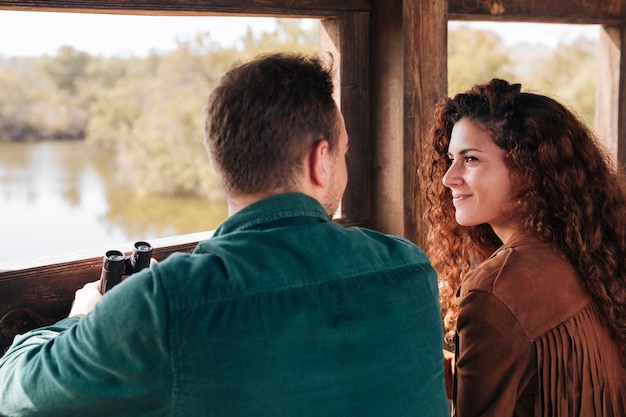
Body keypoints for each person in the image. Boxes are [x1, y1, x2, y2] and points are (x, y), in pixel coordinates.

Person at [0, 53, 449, 417]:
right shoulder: (409, 269)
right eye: (345, 154)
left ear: (222, 161)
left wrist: (83, 318)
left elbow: (15, 391)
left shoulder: (167, 301)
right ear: (320, 161)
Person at [421, 78, 626, 417]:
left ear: (527, 169)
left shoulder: (494, 290)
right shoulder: (595, 254)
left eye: (470, 159)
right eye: (450, 158)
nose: (448, 177)